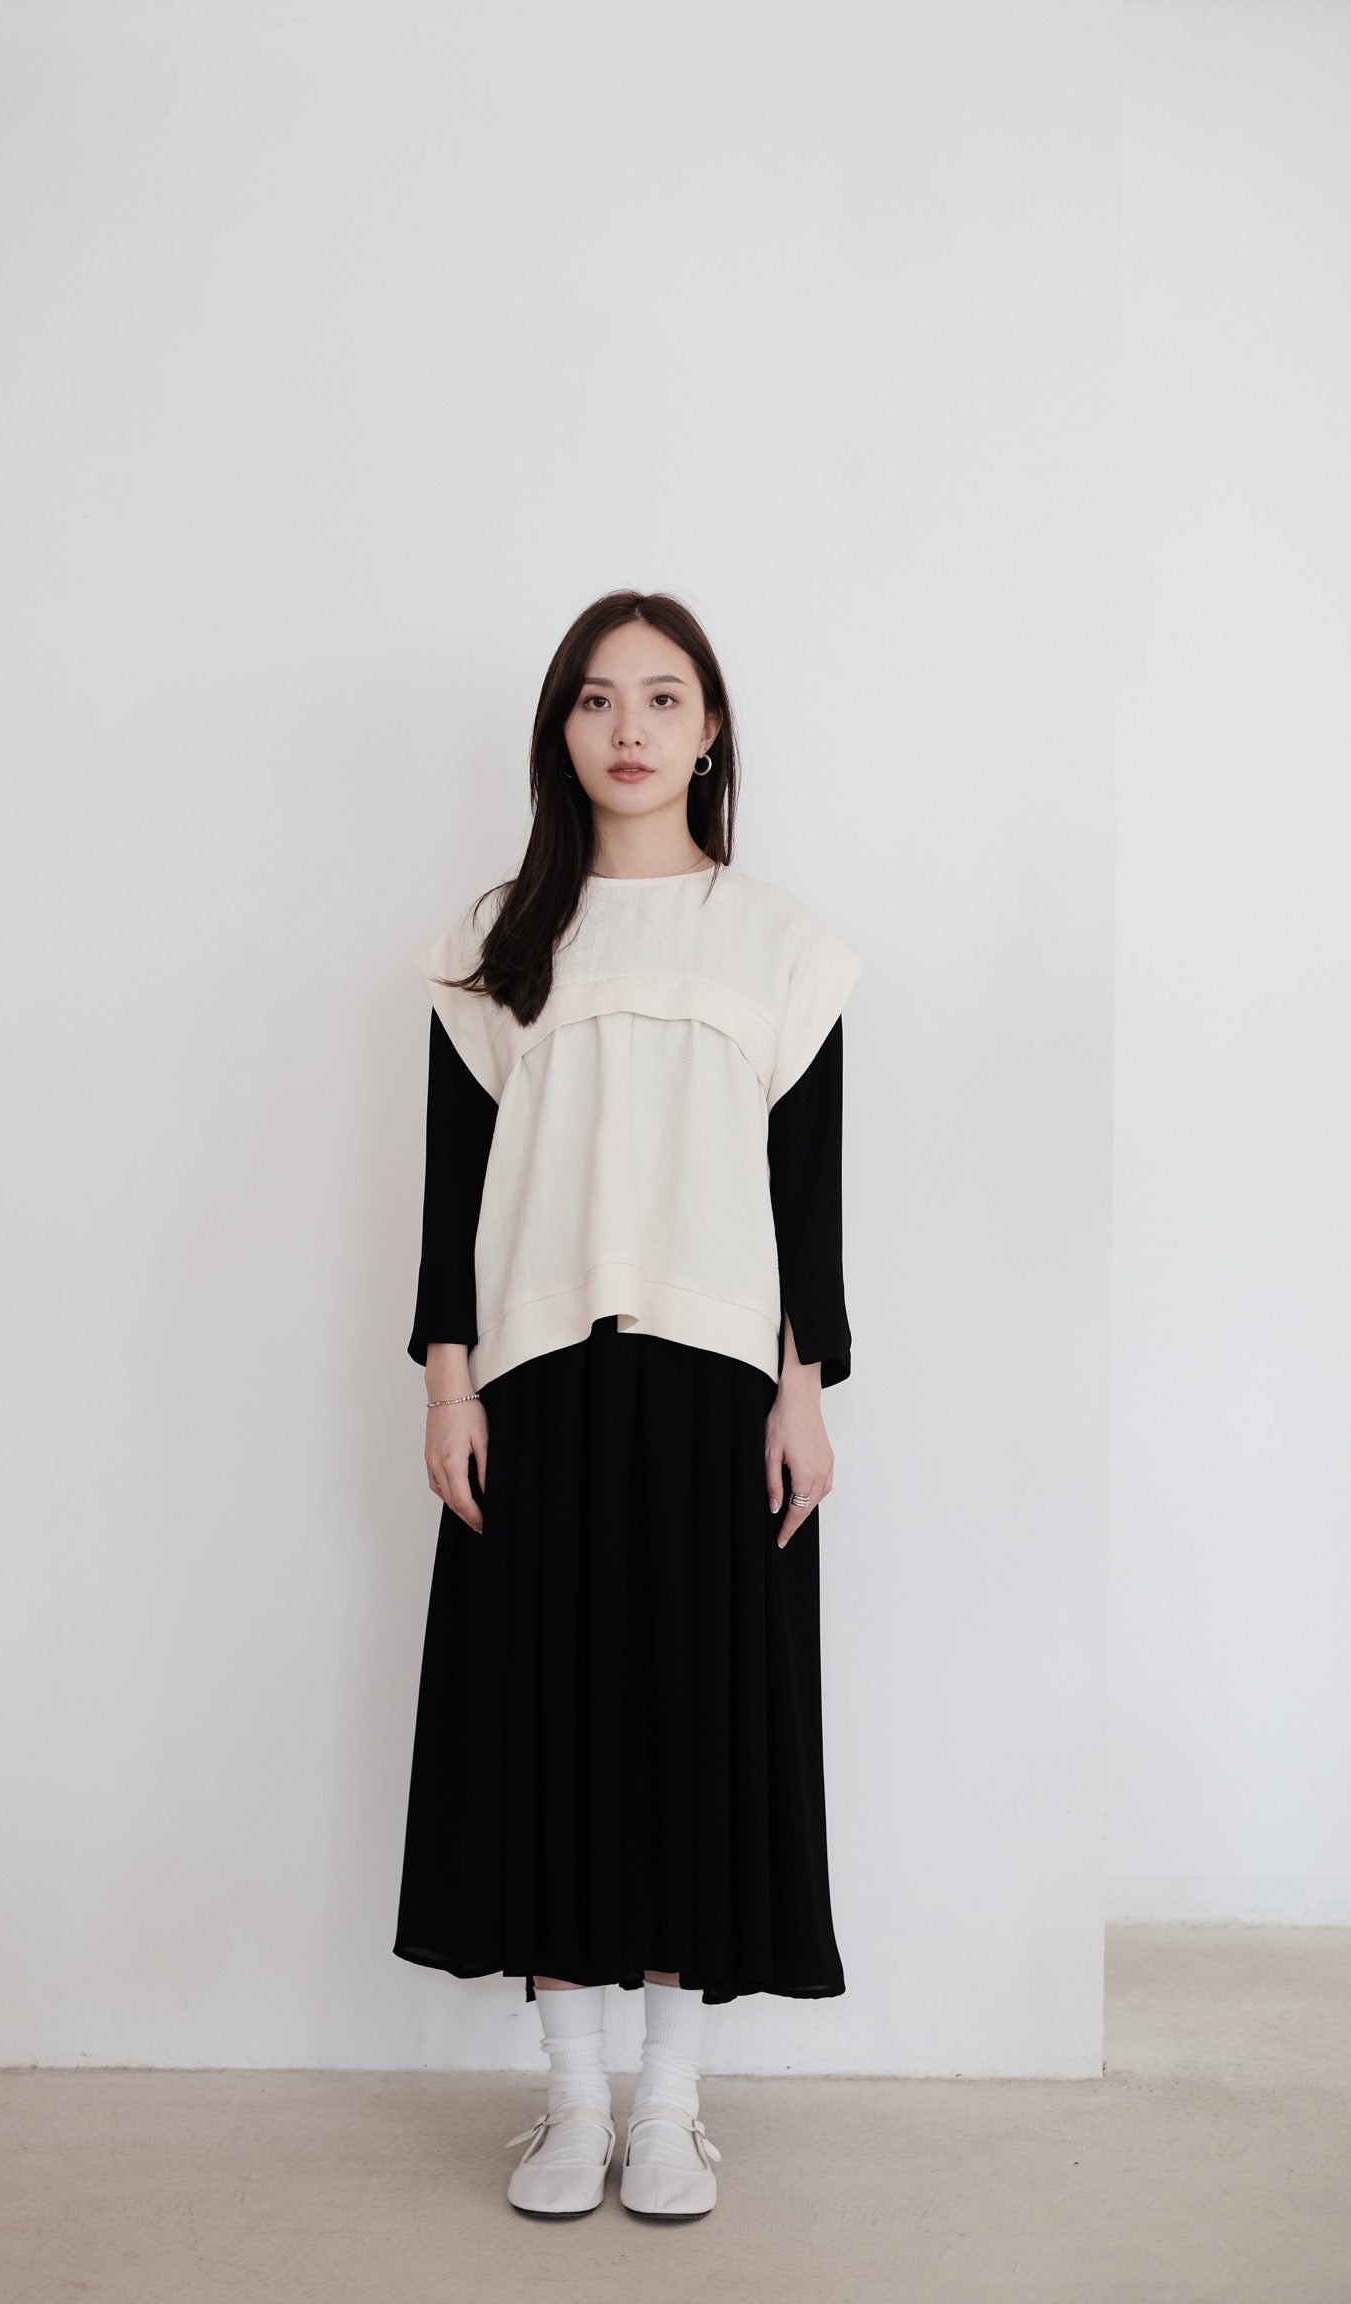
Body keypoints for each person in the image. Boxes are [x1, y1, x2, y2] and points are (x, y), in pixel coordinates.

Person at [393, 588, 864, 2221]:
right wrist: (446, 1381)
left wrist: (805, 1390)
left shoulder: (781, 942)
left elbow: (810, 1196)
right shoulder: (496, 941)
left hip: (722, 1380)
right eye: (598, 700)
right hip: (535, 1379)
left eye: (664, 698)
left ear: (710, 730)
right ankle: (572, 2103)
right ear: (562, 731)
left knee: (693, 1731)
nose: (631, 729)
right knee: (547, 1731)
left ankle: (671, 2106)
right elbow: (452, 1188)